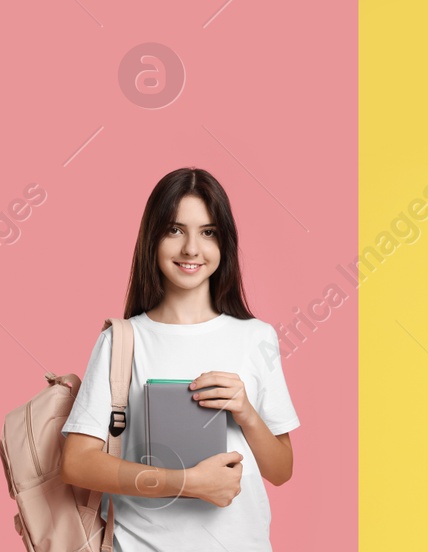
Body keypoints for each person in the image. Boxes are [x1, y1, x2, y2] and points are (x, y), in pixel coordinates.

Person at [60, 168, 299, 551]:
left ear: (224, 244)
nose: (191, 248)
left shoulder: (256, 337)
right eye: (174, 230)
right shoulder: (122, 340)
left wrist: (246, 412)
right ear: (152, 239)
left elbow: (281, 471)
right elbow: (77, 464)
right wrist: (186, 483)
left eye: (208, 232)